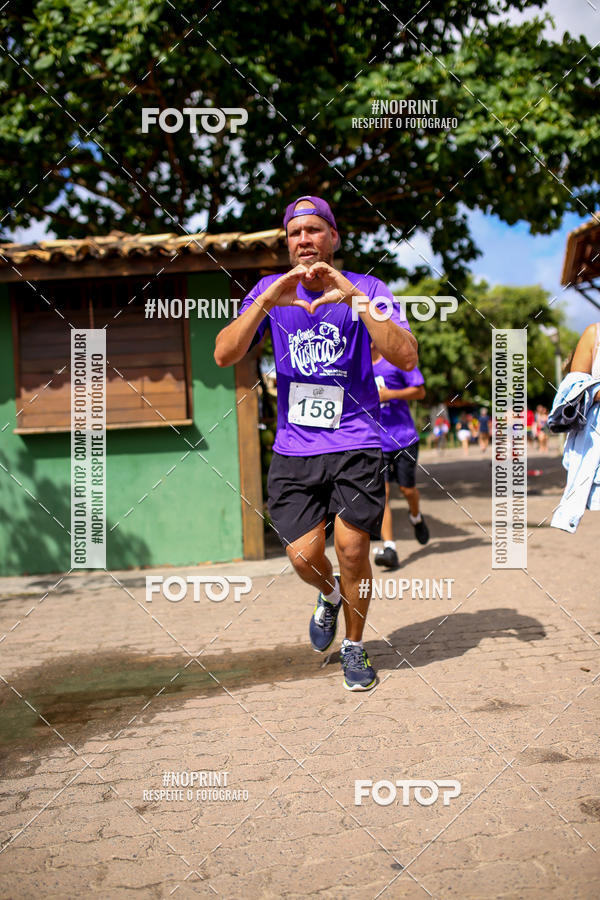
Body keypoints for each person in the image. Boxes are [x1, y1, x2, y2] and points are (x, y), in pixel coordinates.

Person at [214, 195, 418, 690]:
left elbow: (406, 356)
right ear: (287, 243)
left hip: (357, 441)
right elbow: (224, 354)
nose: (304, 239)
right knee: (304, 557)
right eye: (294, 233)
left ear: (334, 238)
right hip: (295, 448)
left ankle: (354, 646)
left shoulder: (367, 287)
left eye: (314, 230)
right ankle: (329, 596)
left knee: (352, 550)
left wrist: (354, 299)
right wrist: (266, 300)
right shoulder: (268, 290)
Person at [371, 344, 430, 569]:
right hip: (375, 442)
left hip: (403, 438)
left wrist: (390, 395)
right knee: (382, 493)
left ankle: (416, 516)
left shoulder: (395, 361)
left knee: (407, 490)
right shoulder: (360, 366)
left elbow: (420, 391)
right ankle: (390, 548)